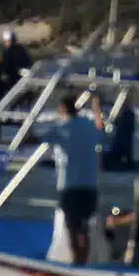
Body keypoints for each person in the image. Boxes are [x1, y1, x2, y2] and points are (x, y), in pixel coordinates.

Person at [48, 93, 105, 264]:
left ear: (62, 109)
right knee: (84, 227)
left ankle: (76, 261)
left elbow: (40, 138)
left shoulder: (62, 127)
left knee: (72, 226)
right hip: (89, 185)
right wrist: (97, 109)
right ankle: (83, 260)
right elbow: (101, 130)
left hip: (70, 185)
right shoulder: (88, 125)